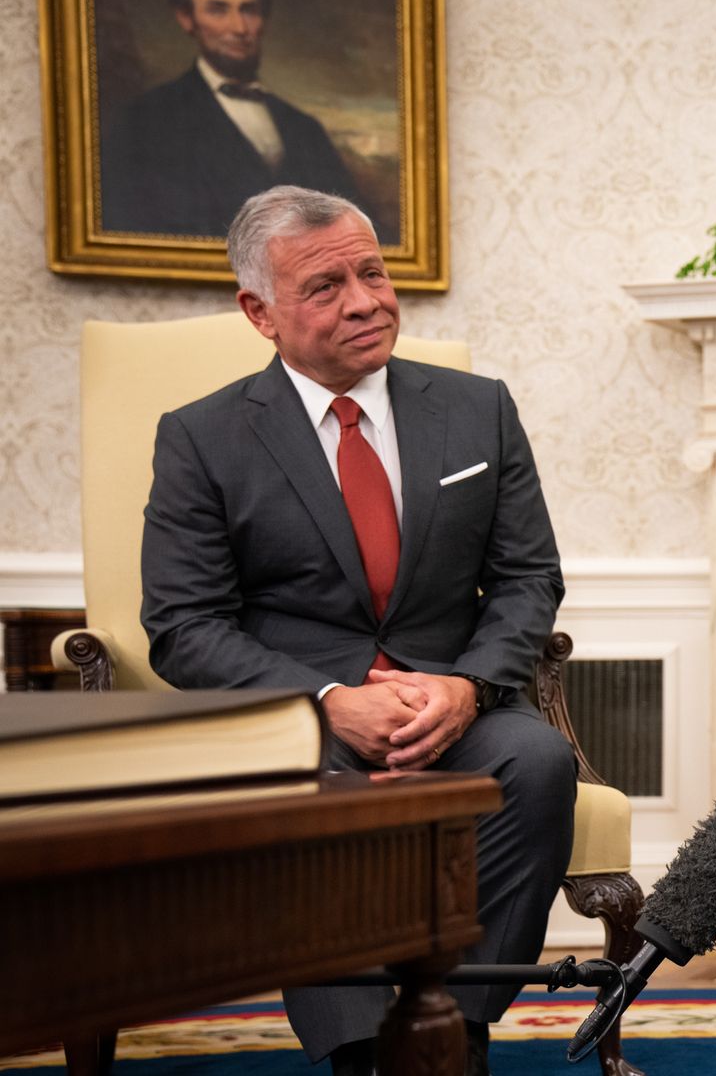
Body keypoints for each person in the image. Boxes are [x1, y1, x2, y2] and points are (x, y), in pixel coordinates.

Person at [140, 185, 575, 1075]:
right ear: (259, 312)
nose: (366, 301)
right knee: (311, 781)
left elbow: (531, 576)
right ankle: (360, 1055)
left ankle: (458, 1026)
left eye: (373, 271)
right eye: (326, 286)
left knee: (538, 761)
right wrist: (329, 701)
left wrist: (465, 688)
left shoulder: (478, 407)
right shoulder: (202, 438)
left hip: (453, 698)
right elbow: (182, 624)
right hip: (300, 718)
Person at [101, 0, 371, 239]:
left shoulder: (305, 128)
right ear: (187, 19)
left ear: (263, 19)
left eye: (249, 10)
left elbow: (354, 224)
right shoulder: (146, 120)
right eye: (218, 10)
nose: (240, 28)